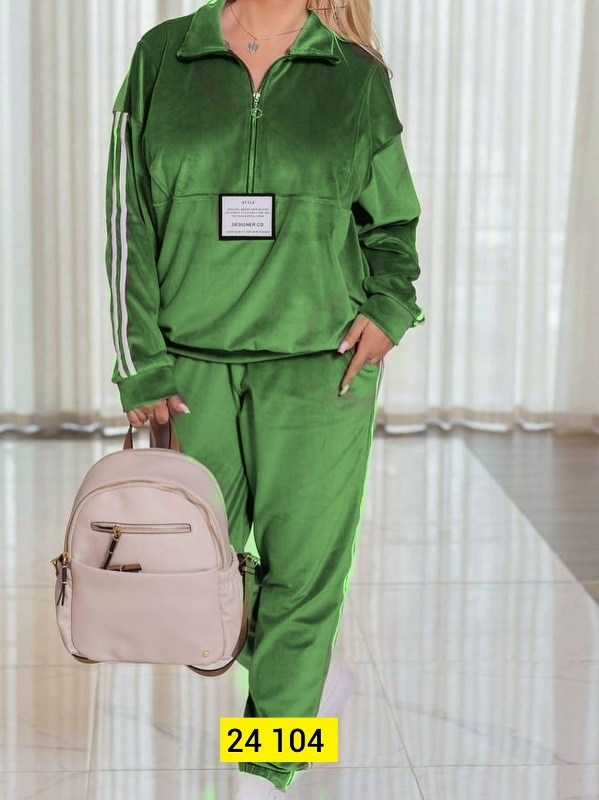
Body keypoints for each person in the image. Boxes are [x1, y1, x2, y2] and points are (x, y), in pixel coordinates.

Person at [105, 0, 425, 796]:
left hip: (323, 368)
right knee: (187, 572)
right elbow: (125, 221)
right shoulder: (162, 58)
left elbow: (392, 226)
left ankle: (269, 766)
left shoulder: (355, 77)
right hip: (188, 369)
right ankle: (312, 680)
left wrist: (389, 309)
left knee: (305, 577)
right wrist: (141, 362)